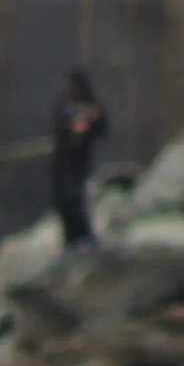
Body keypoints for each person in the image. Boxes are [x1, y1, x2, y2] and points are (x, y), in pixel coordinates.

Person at [50, 70, 108, 247]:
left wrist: (88, 127)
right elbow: (58, 127)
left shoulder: (90, 105)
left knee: (76, 197)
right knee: (65, 198)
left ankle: (81, 235)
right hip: (63, 159)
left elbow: (102, 128)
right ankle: (71, 236)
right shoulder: (65, 105)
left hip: (79, 159)